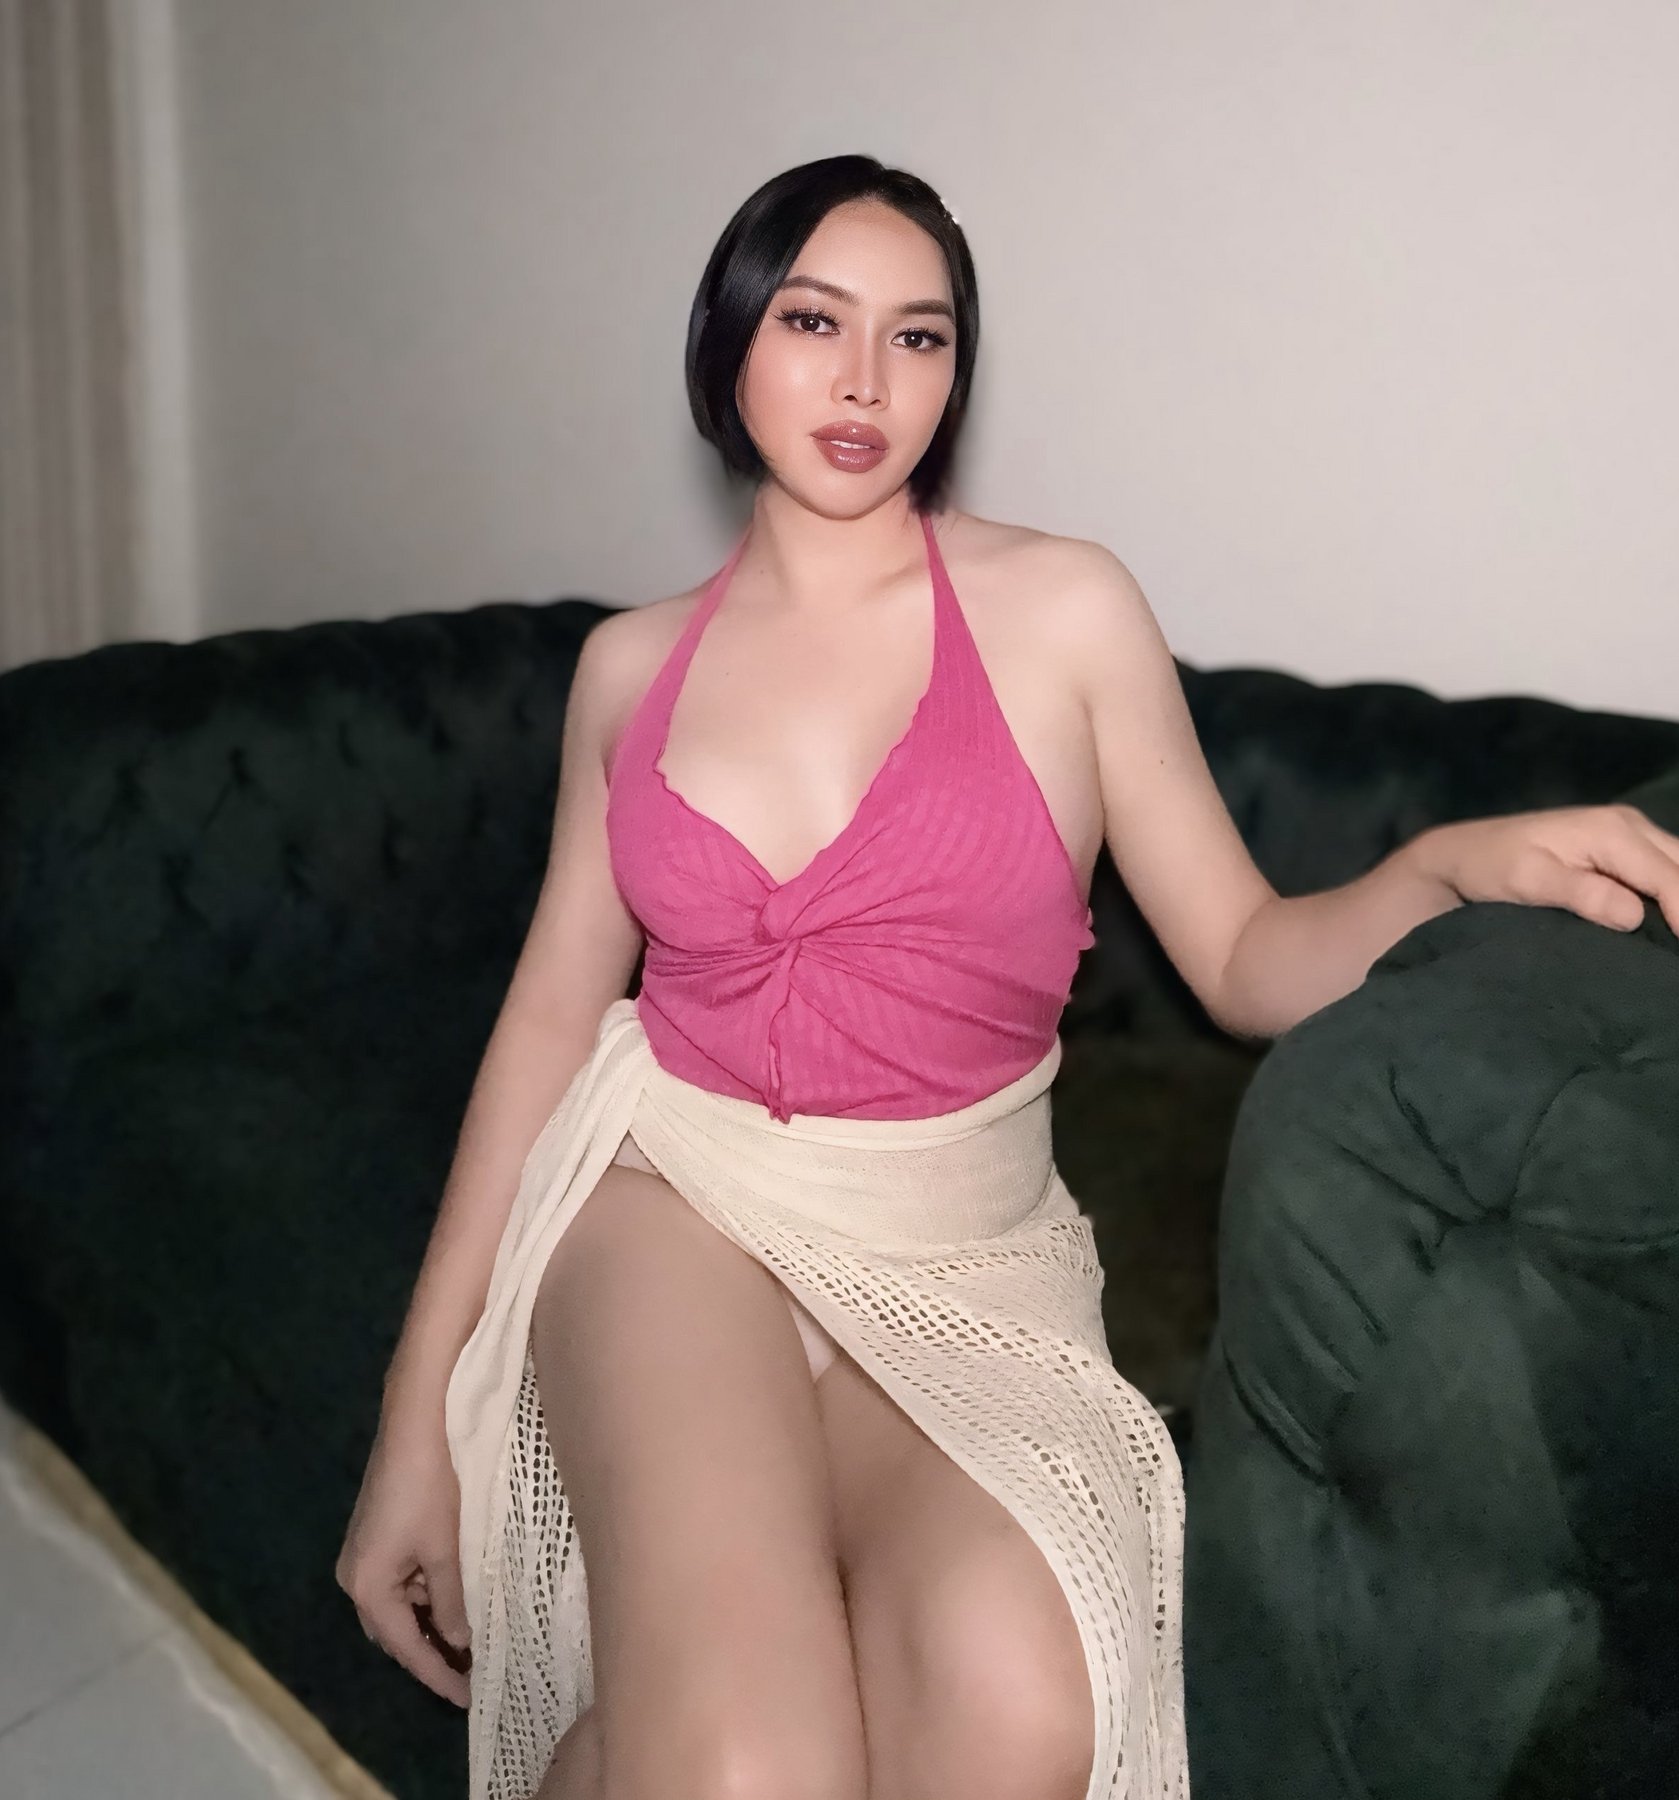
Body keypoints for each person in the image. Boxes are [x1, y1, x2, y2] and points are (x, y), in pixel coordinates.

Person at [337, 155, 1679, 1800]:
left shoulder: (1065, 612)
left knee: (1019, 1712)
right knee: (754, 1769)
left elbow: (1245, 954)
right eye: (813, 322)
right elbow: (552, 1019)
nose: (864, 380)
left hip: (960, 1243)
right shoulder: (628, 669)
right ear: (729, 338)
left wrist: (1439, 869)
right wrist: (416, 1420)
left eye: (918, 337)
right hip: (672, 1201)